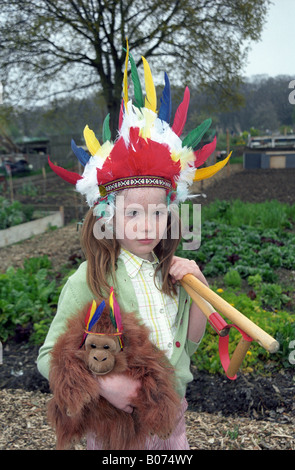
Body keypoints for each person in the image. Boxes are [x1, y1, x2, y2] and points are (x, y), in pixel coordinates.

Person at [37, 43, 230, 450]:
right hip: (116, 427)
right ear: (107, 217)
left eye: (158, 213)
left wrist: (199, 287)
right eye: (133, 215)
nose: (148, 226)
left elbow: (189, 345)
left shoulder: (170, 273)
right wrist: (108, 385)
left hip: (172, 414)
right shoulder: (92, 280)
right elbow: (48, 355)